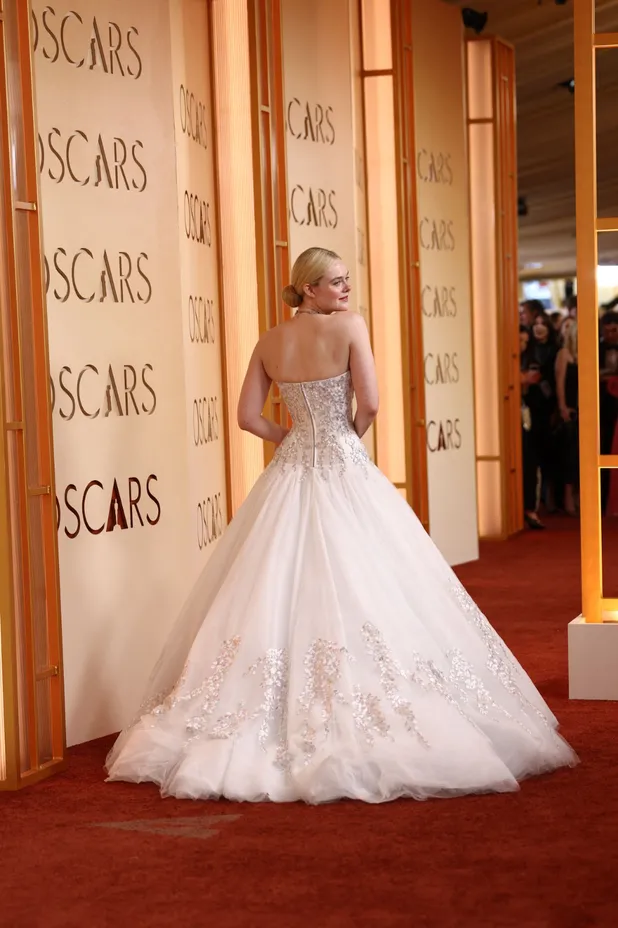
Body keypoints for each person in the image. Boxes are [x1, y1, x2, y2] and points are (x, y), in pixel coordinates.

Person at [106, 247, 577, 804]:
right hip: (343, 462)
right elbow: (372, 404)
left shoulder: (269, 341)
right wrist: (346, 438)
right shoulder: (350, 328)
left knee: (273, 585)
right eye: (336, 282)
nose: (347, 289)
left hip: (291, 471)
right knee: (380, 583)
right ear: (308, 289)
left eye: (347, 280)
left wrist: (293, 440)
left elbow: (246, 417)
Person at [555, 321, 579, 516]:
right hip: (570, 409)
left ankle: (579, 497)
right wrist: (562, 407)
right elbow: (560, 382)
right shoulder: (564, 353)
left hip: (587, 410)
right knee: (570, 455)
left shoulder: (588, 353)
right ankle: (568, 499)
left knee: (581, 456)